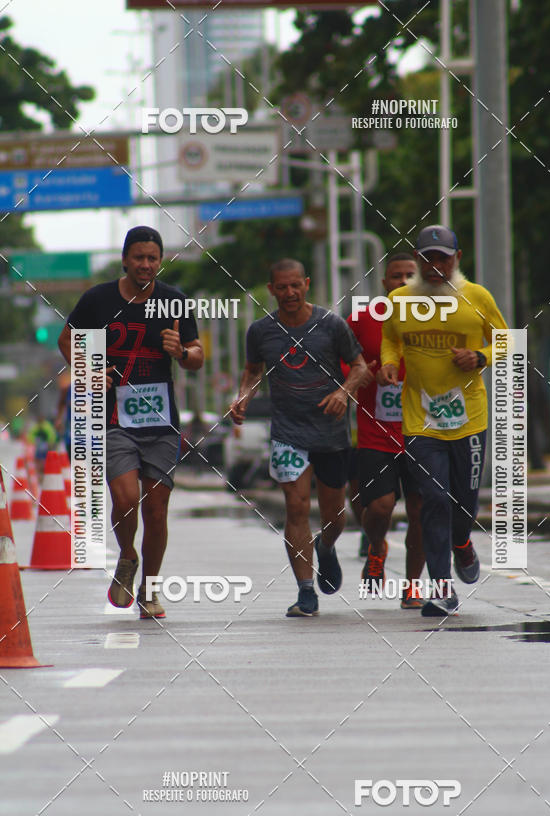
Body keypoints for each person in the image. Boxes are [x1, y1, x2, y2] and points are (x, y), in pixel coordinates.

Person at [58, 225, 204, 619]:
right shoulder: (97, 300)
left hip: (160, 422)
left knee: (156, 511)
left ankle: (150, 589)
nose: (145, 264)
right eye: (138, 257)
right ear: (125, 259)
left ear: (160, 261)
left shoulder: (174, 300)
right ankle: (127, 555)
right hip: (113, 419)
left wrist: (183, 352)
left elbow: (196, 354)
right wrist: (88, 367)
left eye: (152, 258)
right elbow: (67, 339)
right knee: (125, 500)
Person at [380, 225, 508, 616]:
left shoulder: (476, 297)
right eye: (428, 258)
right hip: (421, 421)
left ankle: (462, 543)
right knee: (433, 500)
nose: (435, 265)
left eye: (443, 258)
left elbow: (507, 339)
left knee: (463, 505)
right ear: (417, 261)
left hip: (469, 418)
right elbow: (391, 338)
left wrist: (480, 357)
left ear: (457, 258)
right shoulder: (400, 300)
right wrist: (388, 363)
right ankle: (440, 589)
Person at [230, 258, 367, 618]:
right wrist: (243, 396)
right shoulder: (261, 331)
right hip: (288, 433)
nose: (289, 293)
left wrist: (343, 393)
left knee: (335, 515)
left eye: (296, 285)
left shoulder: (331, 324)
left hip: (330, 432)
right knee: (296, 506)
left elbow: (360, 367)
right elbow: (252, 372)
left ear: (306, 284)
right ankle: (306, 591)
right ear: (272, 289)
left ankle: (326, 545)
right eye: (282, 287)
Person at [347, 253, 426, 608]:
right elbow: (342, 360)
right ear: (384, 283)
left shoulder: (438, 316)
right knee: (379, 507)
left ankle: (412, 586)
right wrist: (364, 372)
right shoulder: (364, 319)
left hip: (426, 431)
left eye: (411, 275)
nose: (404, 281)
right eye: (397, 276)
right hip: (377, 431)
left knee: (421, 513)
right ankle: (377, 547)